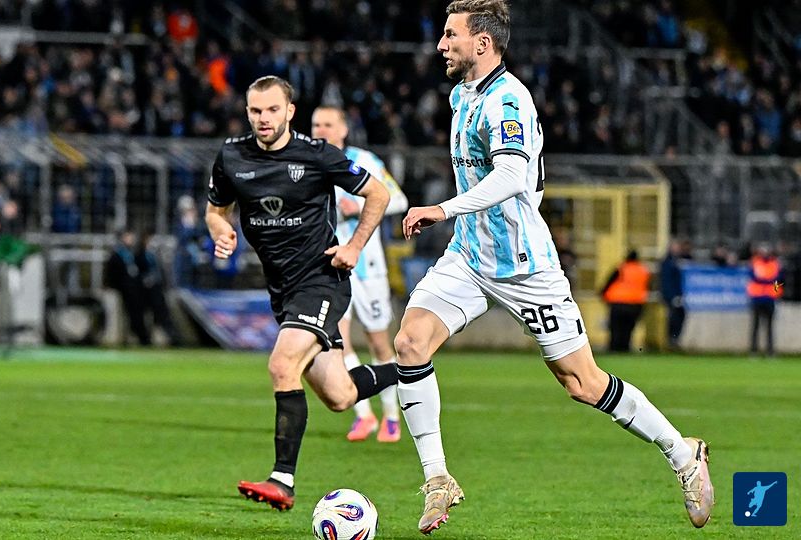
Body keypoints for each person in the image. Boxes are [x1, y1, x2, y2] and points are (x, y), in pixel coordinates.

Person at [393, 1, 713, 534]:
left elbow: (512, 177)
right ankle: (438, 478)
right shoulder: (462, 94)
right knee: (410, 342)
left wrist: (442, 209)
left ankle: (683, 454)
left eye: (451, 35)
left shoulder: (508, 99)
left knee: (582, 383)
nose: (440, 45)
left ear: (482, 43)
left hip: (525, 266)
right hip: (469, 256)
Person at [206, 76, 395, 511]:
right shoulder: (232, 155)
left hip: (321, 279)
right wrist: (220, 231)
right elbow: (216, 210)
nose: (263, 118)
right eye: (256, 111)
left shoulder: (316, 155)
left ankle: (283, 480)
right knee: (340, 396)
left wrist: (353, 247)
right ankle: (411, 369)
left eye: (272, 110)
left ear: (289, 112)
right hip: (283, 291)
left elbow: (378, 193)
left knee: (282, 363)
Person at [311, 105, 410, 443]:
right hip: (330, 267)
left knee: (379, 341)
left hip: (367, 266)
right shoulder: (309, 162)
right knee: (338, 341)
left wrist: (359, 206)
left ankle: (392, 417)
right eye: (316, 124)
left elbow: (398, 199)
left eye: (328, 124)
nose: (321, 130)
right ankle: (364, 414)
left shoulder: (364, 160)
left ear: (343, 129)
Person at [601, 250, 651, 352]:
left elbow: (609, 282)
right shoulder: (643, 270)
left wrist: (602, 294)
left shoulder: (621, 268)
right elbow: (647, 286)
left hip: (618, 303)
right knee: (628, 329)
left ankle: (614, 349)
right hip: (635, 304)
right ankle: (625, 348)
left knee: (616, 328)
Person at [747, 243, 782, 356]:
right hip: (757, 298)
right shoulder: (755, 262)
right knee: (755, 326)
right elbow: (754, 277)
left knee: (769, 327)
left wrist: (775, 292)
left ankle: (770, 351)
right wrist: (768, 280)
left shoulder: (774, 264)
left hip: (770, 298)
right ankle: (754, 350)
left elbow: (777, 280)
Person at [660, 239, 686, 350]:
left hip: (676, 295)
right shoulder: (668, 262)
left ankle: (674, 339)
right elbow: (667, 282)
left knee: (679, 315)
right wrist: (672, 296)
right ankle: (671, 340)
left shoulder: (674, 261)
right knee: (674, 317)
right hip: (671, 296)